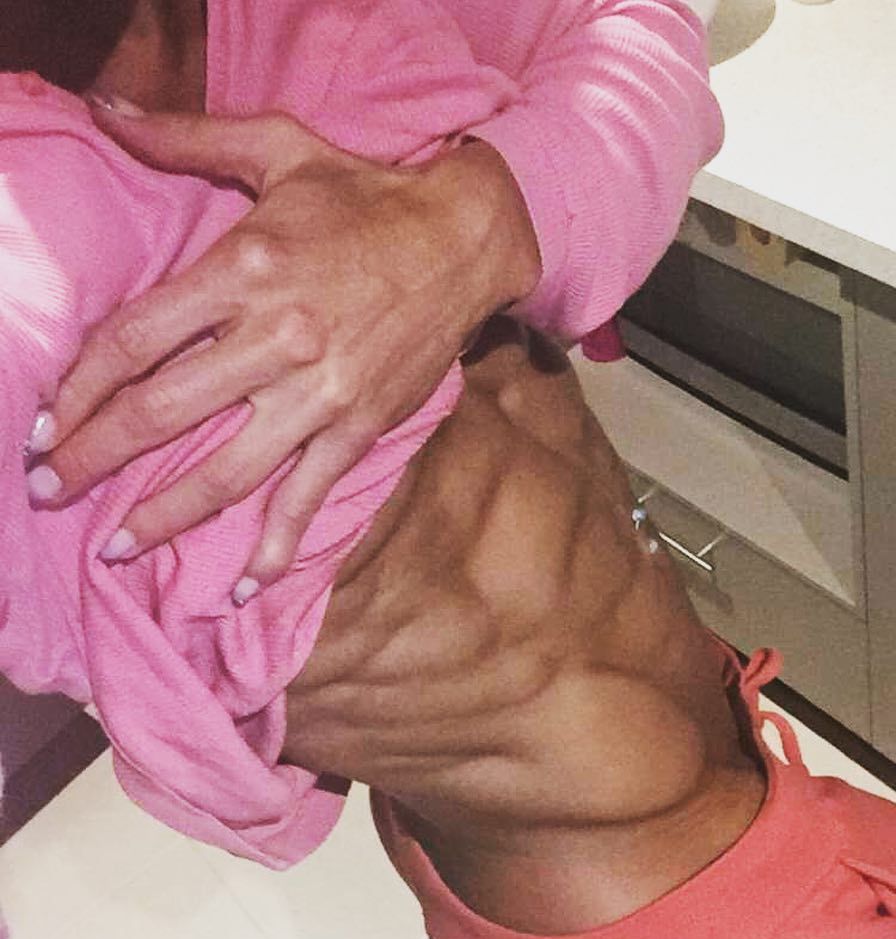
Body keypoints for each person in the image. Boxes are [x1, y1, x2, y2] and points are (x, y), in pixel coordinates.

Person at [8, 3, 896, 939]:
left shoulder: (303, 19)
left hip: (728, 749)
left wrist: (488, 211)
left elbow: (633, 24)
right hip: (662, 935)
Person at [23, 0, 725, 603]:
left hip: (573, 572)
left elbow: (638, 35)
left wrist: (472, 222)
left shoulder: (347, 31)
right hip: (406, 654)